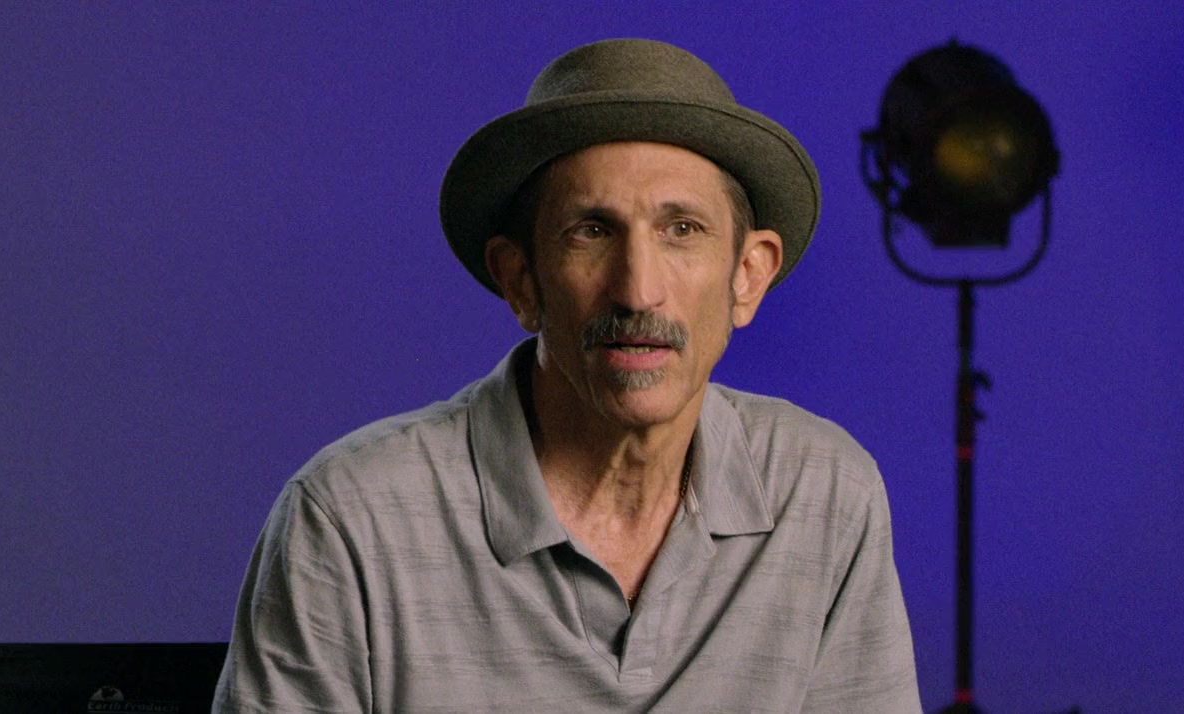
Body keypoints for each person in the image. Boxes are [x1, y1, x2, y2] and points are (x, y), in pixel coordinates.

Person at [213, 38, 920, 713]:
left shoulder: (824, 494)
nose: (638, 291)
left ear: (748, 275)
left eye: (682, 230)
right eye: (592, 231)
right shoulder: (350, 519)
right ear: (520, 280)